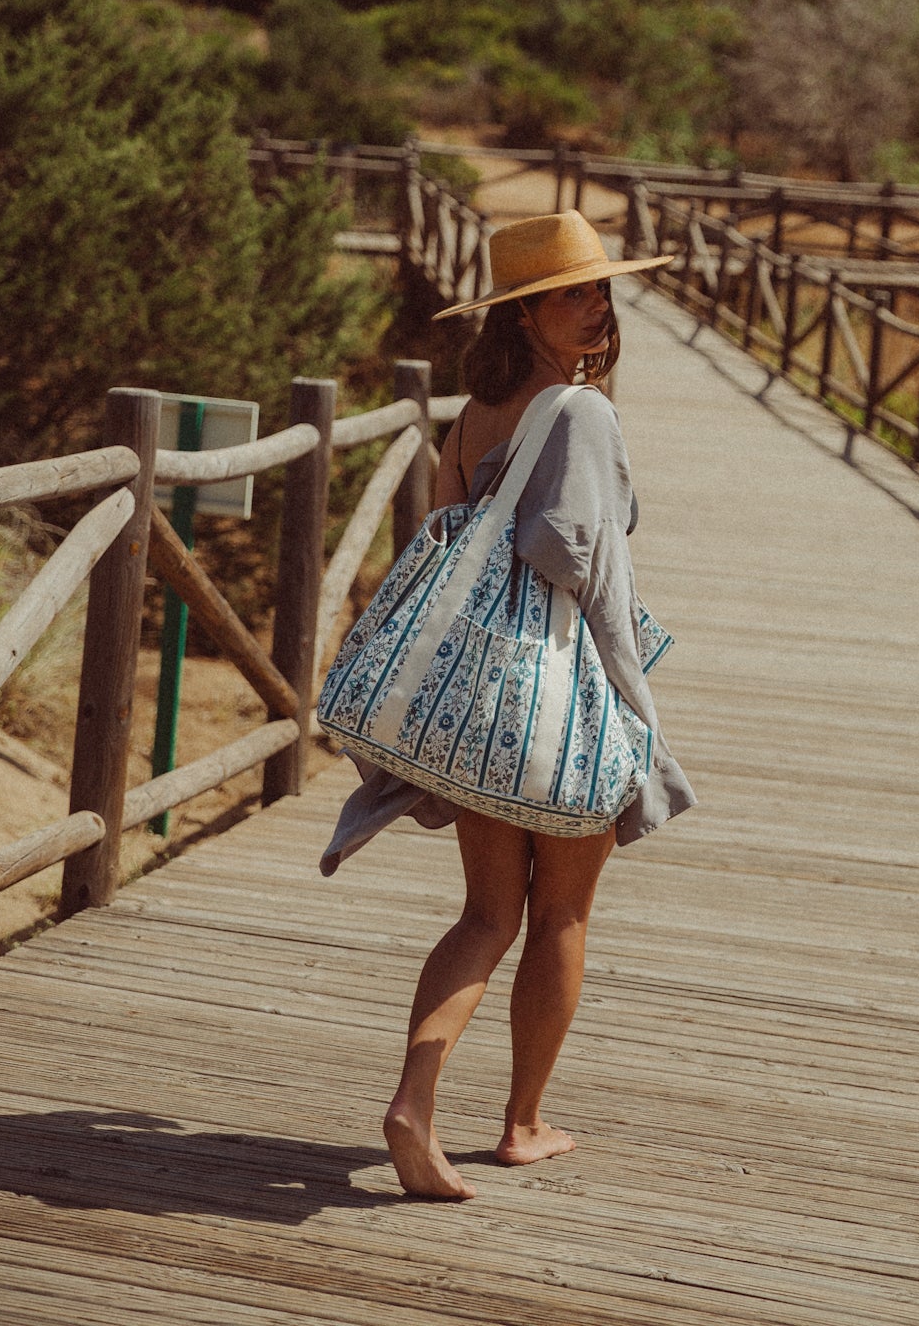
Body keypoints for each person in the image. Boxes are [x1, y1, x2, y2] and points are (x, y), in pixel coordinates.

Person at [319, 210, 695, 1201]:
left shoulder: (474, 415)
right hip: (559, 697)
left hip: (480, 707)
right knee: (561, 909)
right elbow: (580, 561)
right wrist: (637, 703)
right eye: (577, 289)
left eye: (602, 287)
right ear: (526, 308)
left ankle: (414, 1099)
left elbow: (444, 524)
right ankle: (522, 1122)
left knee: (488, 912)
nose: (599, 304)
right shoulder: (581, 412)